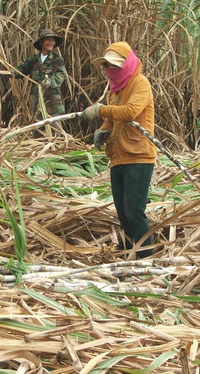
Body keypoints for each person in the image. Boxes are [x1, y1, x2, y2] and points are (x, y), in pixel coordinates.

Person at [83, 41, 157, 258]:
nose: (110, 70)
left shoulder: (140, 83)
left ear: (127, 64)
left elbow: (131, 111)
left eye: (114, 65)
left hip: (138, 156)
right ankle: (128, 257)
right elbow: (111, 119)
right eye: (107, 66)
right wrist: (103, 130)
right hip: (118, 157)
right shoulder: (115, 91)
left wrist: (99, 110)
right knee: (124, 214)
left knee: (135, 212)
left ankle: (145, 260)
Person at [13, 28, 67, 119]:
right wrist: (13, 72)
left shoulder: (57, 59)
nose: (51, 42)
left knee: (56, 131)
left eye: (52, 40)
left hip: (53, 106)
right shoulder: (33, 60)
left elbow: (61, 75)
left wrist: (50, 82)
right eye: (48, 40)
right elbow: (22, 69)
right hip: (38, 105)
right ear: (41, 42)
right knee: (38, 131)